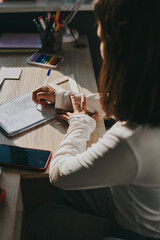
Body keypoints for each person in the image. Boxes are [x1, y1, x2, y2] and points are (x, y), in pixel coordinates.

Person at [30, 0, 160, 239]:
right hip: (138, 200)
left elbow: (58, 175)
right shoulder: (150, 99)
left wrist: (80, 124)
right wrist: (66, 98)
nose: (101, 47)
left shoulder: (131, 140)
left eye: (101, 39)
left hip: (133, 231)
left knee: (42, 218)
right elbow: (118, 101)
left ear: (119, 50)